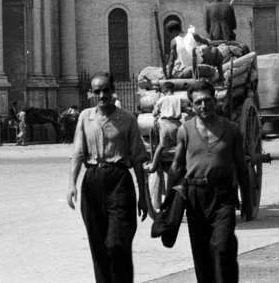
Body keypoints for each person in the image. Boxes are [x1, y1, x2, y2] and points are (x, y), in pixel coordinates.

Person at [68, 72, 151, 283]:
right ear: (90, 94)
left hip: (119, 182)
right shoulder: (85, 117)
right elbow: (78, 153)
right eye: (97, 91)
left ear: (112, 91)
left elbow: (139, 160)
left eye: (106, 89)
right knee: (98, 246)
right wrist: (72, 185)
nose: (102, 95)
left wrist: (143, 196)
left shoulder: (127, 120)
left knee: (117, 244)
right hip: (92, 182)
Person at [169, 80, 253, 283]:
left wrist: (247, 201)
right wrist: (169, 202)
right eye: (198, 103)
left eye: (207, 100)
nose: (203, 106)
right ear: (191, 105)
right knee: (202, 258)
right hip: (195, 197)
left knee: (222, 247)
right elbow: (177, 167)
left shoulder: (232, 130)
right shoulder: (185, 131)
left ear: (215, 100)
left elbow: (242, 168)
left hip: (223, 195)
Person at [150, 80, 185, 172]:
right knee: (181, 144)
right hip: (175, 124)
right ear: (173, 89)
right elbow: (187, 109)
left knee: (161, 146)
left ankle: (153, 165)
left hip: (164, 124)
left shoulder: (160, 100)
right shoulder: (178, 99)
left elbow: (154, 114)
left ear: (164, 91)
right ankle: (181, 164)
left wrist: (154, 108)